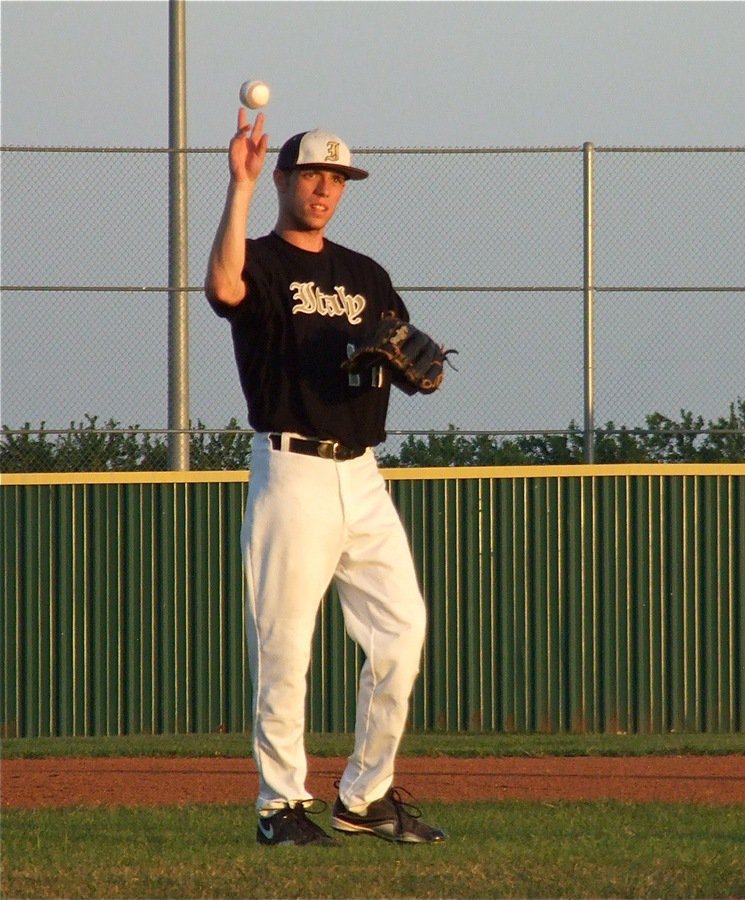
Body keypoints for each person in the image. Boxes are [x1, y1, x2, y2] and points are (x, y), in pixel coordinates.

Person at [205, 108, 446, 847]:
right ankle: (280, 806)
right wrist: (238, 187)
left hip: (363, 476)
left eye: (337, 178)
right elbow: (221, 289)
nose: (325, 188)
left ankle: (364, 796)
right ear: (284, 178)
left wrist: (422, 373)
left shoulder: (367, 275)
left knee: (403, 631)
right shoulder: (265, 263)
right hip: (292, 471)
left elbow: (417, 368)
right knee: (286, 646)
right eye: (312, 173)